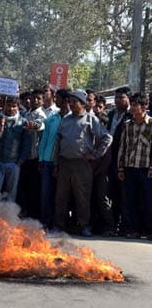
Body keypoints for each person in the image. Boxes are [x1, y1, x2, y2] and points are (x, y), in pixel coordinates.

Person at [53, 90, 112, 237]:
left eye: (74, 102)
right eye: (70, 101)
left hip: (82, 165)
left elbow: (107, 138)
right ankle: (59, 225)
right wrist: (56, 164)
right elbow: (58, 142)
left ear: (83, 104)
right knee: (61, 197)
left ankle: (85, 225)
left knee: (83, 197)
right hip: (64, 163)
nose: (71, 104)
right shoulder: (65, 120)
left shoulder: (91, 119)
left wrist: (96, 155)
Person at [117, 93, 152, 238]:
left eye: (136, 105)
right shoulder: (127, 125)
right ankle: (133, 230)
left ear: (145, 107)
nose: (132, 107)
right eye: (132, 104)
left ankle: (149, 230)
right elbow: (122, 147)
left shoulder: (151, 124)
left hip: (146, 169)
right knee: (130, 201)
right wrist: (120, 167)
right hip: (129, 168)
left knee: (148, 200)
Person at [0, 96, 31, 204]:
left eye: (14, 106)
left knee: (11, 194)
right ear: (4, 106)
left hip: (14, 163)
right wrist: (1, 126)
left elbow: (27, 144)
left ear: (18, 107)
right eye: (9, 105)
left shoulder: (23, 122)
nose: (11, 108)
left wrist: (20, 161)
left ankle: (8, 217)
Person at [38, 89, 69, 230]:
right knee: (46, 194)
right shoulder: (52, 119)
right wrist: (41, 159)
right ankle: (45, 222)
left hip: (64, 163)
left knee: (61, 195)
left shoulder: (71, 119)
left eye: (58, 98)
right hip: (48, 161)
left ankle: (59, 223)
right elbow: (44, 140)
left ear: (65, 100)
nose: (55, 100)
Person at [106, 86, 132, 234]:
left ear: (128, 99)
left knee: (125, 195)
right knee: (112, 193)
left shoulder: (131, 116)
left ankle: (125, 226)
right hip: (109, 158)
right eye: (116, 97)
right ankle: (113, 224)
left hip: (123, 159)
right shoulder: (110, 114)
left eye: (121, 97)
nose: (117, 100)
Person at [18, 89, 46, 219]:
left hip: (35, 157)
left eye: (38, 98)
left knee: (35, 188)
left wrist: (31, 125)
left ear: (42, 100)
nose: (35, 100)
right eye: (33, 98)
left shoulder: (42, 115)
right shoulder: (26, 113)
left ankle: (35, 216)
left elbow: (40, 126)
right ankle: (26, 212)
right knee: (25, 187)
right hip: (25, 157)